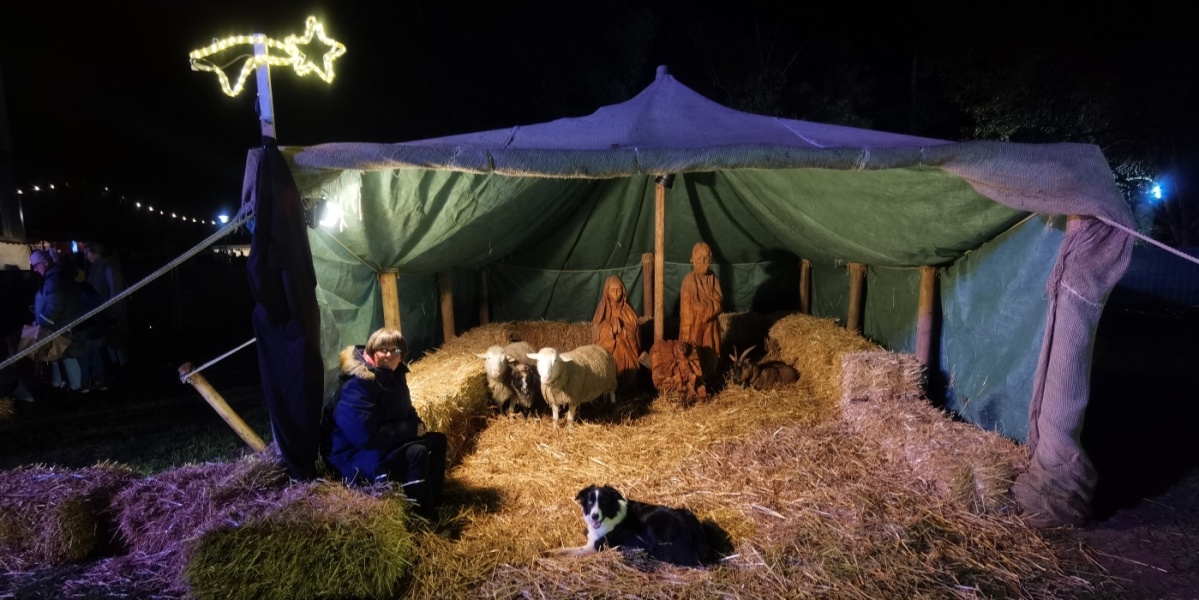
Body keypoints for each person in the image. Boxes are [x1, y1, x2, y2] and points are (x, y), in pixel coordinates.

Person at [327, 327, 447, 521]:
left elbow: (406, 410)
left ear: (402, 355)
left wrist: (416, 424)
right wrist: (409, 430)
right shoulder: (357, 384)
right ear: (372, 351)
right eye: (383, 349)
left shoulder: (394, 376)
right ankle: (422, 518)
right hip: (352, 455)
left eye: (395, 350)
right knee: (417, 453)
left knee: (438, 441)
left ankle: (435, 502)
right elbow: (364, 436)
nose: (389, 355)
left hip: (383, 442)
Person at [30, 249, 90, 393]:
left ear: (45, 262)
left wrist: (43, 323)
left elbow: (56, 306)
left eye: (36, 265)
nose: (35, 269)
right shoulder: (55, 277)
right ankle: (69, 385)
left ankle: (76, 388)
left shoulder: (54, 279)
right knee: (62, 355)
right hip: (65, 323)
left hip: (65, 324)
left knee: (68, 355)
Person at [83, 242, 129, 388]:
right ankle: (115, 367)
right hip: (99, 310)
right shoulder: (94, 268)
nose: (86, 256)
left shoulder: (109, 267)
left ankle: (123, 368)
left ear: (95, 252)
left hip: (110, 310)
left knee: (116, 339)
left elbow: (116, 290)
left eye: (88, 252)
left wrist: (114, 312)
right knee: (108, 340)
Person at [678, 242, 723, 377]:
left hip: (710, 327)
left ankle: (711, 377)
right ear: (692, 260)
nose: (702, 262)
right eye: (699, 259)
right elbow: (687, 309)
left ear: (710, 260)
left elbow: (719, 301)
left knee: (711, 355)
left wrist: (705, 307)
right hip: (694, 328)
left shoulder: (713, 279)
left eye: (706, 258)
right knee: (694, 355)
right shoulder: (688, 281)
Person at [592, 275, 641, 391]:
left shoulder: (629, 313)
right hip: (610, 353)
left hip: (627, 352)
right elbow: (596, 333)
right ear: (606, 292)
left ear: (623, 291)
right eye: (612, 290)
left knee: (629, 376)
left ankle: (628, 389)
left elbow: (636, 334)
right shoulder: (601, 314)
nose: (616, 293)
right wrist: (610, 329)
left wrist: (626, 332)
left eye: (618, 290)